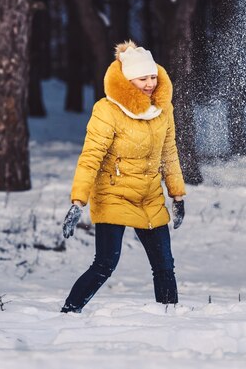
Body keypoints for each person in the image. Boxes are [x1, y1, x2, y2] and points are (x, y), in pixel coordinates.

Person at [60, 40, 186, 313]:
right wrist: (78, 202)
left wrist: (177, 195)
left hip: (149, 196)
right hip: (113, 194)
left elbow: (169, 152)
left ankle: (170, 317)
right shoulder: (107, 110)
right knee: (105, 263)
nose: (151, 83)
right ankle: (69, 312)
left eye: (153, 76)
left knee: (164, 264)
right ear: (129, 80)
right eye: (143, 79)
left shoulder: (163, 110)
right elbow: (90, 156)